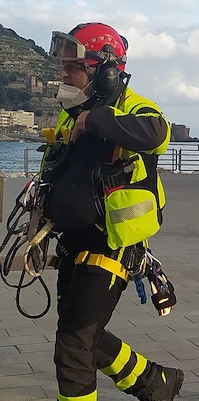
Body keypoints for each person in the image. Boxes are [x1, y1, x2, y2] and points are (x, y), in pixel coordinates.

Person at [43, 22, 184, 401]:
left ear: (103, 70)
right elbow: (57, 171)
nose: (62, 74)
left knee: (72, 347)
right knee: (81, 334)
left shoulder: (133, 107)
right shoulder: (70, 113)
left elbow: (157, 133)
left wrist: (97, 119)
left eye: (71, 67)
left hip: (112, 245)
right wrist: (38, 233)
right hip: (74, 241)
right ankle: (155, 382)